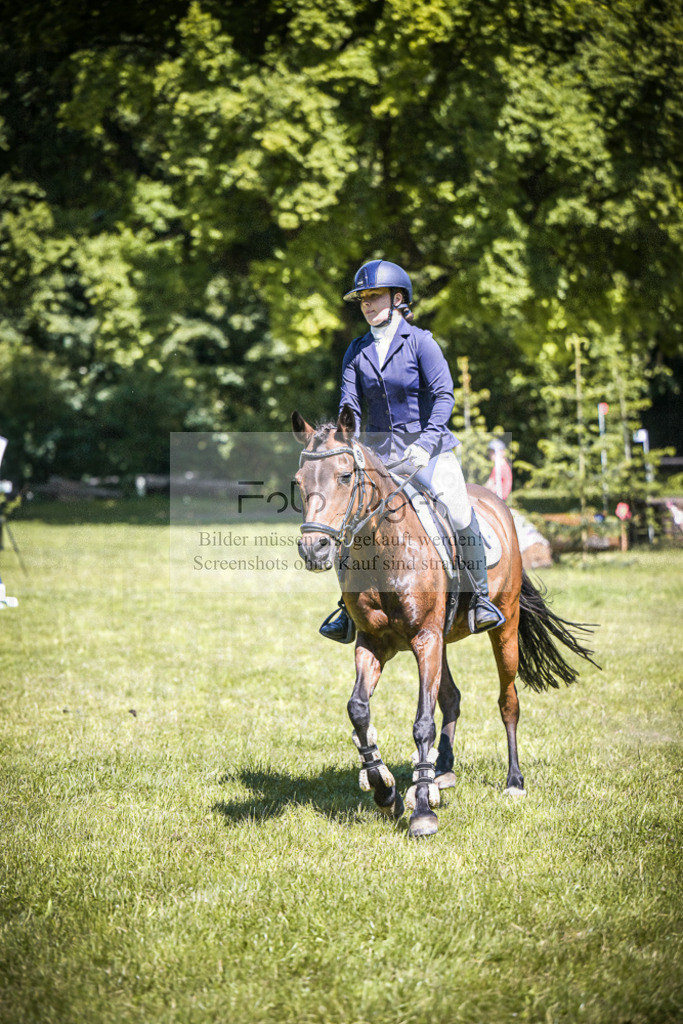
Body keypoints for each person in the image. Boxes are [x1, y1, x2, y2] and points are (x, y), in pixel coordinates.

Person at [319, 258, 505, 643]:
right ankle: (347, 608)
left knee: (455, 508)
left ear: (397, 297)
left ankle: (482, 599)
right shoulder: (356, 350)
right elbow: (349, 403)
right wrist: (345, 438)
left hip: (430, 451)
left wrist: (426, 443)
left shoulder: (421, 342)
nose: (367, 304)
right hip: (380, 456)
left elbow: (443, 396)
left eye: (375, 297)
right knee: (352, 521)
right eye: (363, 299)